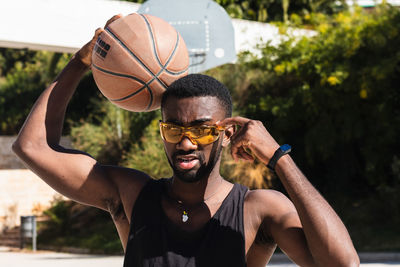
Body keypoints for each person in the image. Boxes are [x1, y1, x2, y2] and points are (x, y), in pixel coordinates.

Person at [12, 15, 359, 267]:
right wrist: (79, 63)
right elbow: (32, 147)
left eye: (202, 130)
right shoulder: (132, 194)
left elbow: (343, 266)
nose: (186, 143)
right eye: (174, 130)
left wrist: (279, 159)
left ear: (226, 134)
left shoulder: (258, 209)